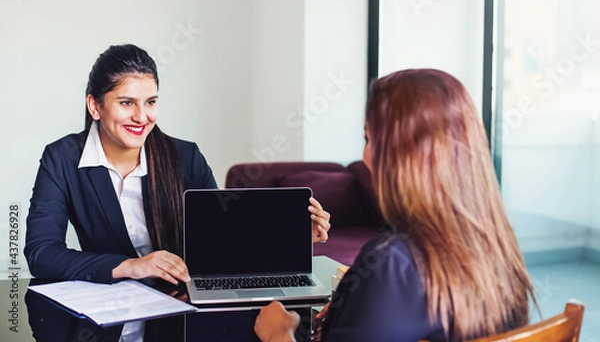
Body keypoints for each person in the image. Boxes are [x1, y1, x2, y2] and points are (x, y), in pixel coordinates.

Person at [254, 69, 537, 342]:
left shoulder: (390, 263)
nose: (365, 157)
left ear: (399, 154)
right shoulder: (498, 249)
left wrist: (279, 335)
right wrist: (351, 309)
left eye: (369, 138)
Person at [24, 44, 331, 286]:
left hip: (182, 299)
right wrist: (130, 267)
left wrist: (291, 238)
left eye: (151, 102)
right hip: (109, 307)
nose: (142, 117)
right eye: (127, 103)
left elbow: (225, 241)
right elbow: (41, 253)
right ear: (95, 105)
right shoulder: (62, 159)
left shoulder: (186, 157)